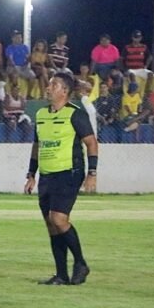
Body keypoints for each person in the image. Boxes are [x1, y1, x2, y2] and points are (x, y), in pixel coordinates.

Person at [24, 73, 98, 286]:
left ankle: (81, 263)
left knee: (58, 219)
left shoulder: (75, 114)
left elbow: (91, 143)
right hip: (47, 175)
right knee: (51, 225)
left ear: (64, 91)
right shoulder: (40, 114)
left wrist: (92, 173)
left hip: (69, 172)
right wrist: (31, 174)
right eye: (48, 84)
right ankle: (61, 274)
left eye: (53, 85)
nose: (48, 88)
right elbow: (37, 146)